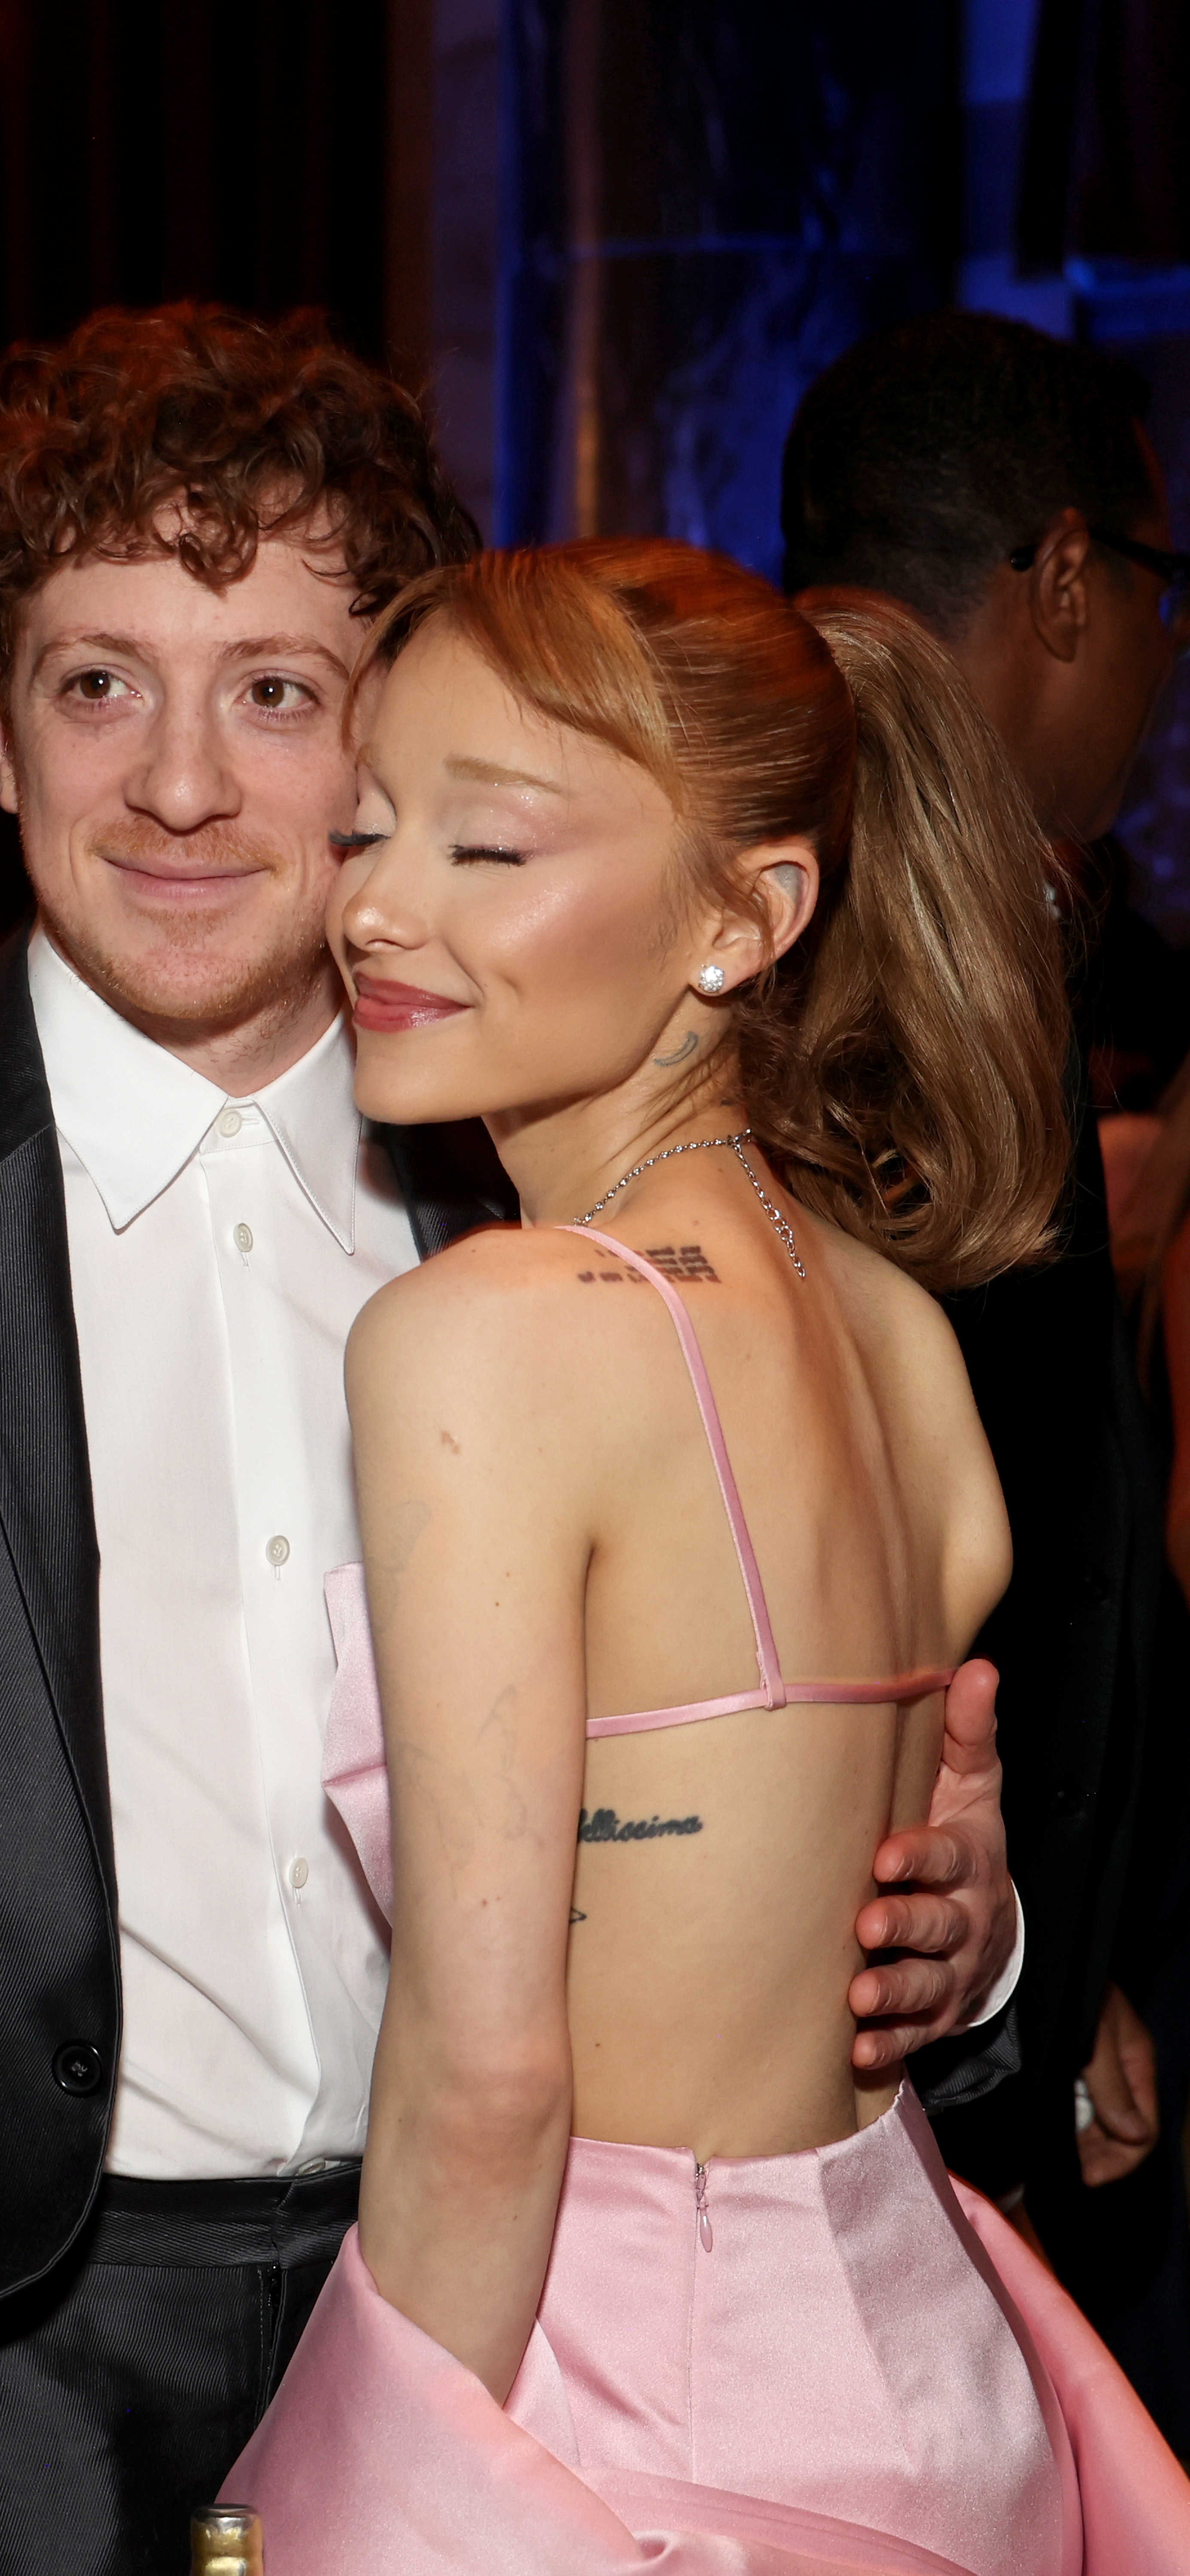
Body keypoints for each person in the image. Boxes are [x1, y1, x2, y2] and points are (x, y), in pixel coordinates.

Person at [0, 307, 1017, 2576]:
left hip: (519, 2378)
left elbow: (787, 1807)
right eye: (97, 683)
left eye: (275, 688)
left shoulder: (559, 1215)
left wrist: (963, 1938)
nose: (179, 781)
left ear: (397, 726)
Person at [231, 537, 1190, 2573]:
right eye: (375, 823)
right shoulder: (899, 1329)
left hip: (608, 2413)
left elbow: (493, 2073)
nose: (378, 905)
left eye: (489, 847)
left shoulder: (494, 1329)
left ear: (752, 915)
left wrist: (315, 2511)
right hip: (926, 2378)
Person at [782, 312, 1178, 2270]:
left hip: (976, 1999)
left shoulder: (997, 912)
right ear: (1072, 577)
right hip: (853, 2077)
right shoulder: (826, 916)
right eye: (1159, 584)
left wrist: (1074, 1951)